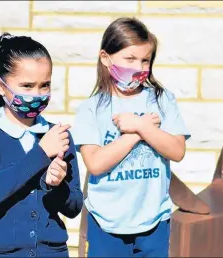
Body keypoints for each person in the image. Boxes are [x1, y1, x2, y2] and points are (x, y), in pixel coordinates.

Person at [71, 17, 190, 257]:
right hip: (106, 225)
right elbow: (95, 163)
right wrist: (136, 133)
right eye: (130, 59)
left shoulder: (161, 99)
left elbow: (177, 151)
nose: (138, 67)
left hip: (155, 223)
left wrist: (142, 127)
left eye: (145, 60)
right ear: (106, 58)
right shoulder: (91, 109)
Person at [0, 33, 84, 257]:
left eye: (44, 85)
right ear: (0, 86)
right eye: (27, 86)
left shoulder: (59, 136)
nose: (37, 94)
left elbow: (74, 206)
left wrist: (58, 185)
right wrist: (41, 153)